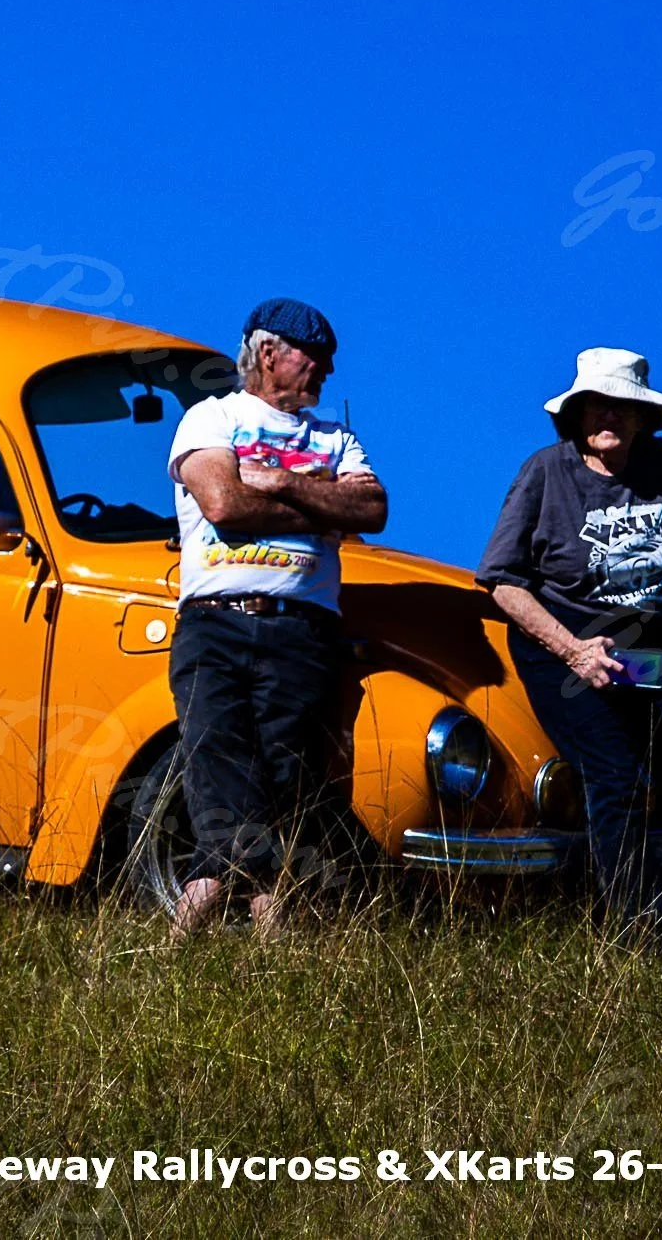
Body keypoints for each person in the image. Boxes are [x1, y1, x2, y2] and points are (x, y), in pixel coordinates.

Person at [475, 348, 662, 942]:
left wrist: (654, 620)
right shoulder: (545, 473)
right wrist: (574, 648)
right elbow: (501, 582)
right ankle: (636, 937)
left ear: (643, 417)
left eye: (624, 407)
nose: (610, 417)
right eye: (597, 405)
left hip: (648, 653)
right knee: (616, 779)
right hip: (563, 652)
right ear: (575, 413)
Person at [166, 298, 387, 938]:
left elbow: (371, 508)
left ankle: (204, 918)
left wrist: (279, 482)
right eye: (314, 358)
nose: (325, 373)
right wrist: (323, 506)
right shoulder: (210, 419)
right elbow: (224, 504)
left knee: (289, 774)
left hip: (302, 629)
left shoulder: (334, 436)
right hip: (217, 621)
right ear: (269, 353)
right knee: (217, 762)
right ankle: (261, 931)